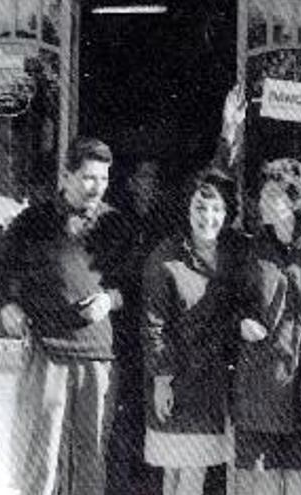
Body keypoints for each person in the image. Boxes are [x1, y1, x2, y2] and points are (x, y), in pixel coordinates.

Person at [0, 136, 134, 495]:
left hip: (97, 357)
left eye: (103, 179)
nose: (96, 187)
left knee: (91, 455)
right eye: (88, 177)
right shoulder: (33, 221)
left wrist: (110, 300)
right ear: (66, 177)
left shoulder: (116, 226)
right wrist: (8, 305)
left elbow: (133, 286)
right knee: (41, 453)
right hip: (48, 352)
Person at [232, 157, 301, 494]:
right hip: (260, 389)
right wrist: (240, 322)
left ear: (295, 200)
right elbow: (228, 304)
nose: (263, 205)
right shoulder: (251, 250)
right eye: (261, 197)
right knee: (258, 486)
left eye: (273, 197)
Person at [141, 168, 243, 495]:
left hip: (212, 382)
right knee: (177, 471)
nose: (208, 217)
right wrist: (161, 380)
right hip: (176, 379)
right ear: (187, 209)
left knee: (191, 470)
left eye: (217, 209)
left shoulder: (234, 255)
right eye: (200, 207)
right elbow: (154, 324)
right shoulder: (166, 257)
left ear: (227, 214)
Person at [107, 158, 170, 495]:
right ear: (130, 183)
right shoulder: (118, 225)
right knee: (124, 421)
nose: (149, 185)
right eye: (143, 177)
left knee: (157, 421)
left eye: (154, 179)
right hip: (124, 337)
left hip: (158, 337)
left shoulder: (166, 227)